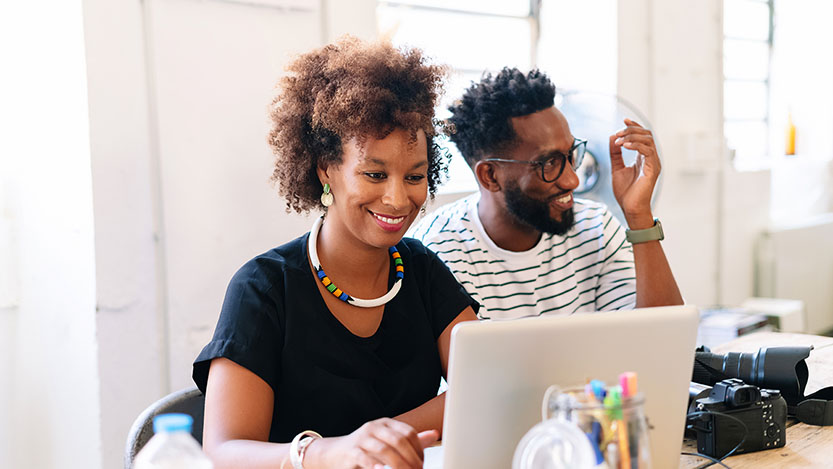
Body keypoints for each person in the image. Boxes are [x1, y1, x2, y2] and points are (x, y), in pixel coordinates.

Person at [192, 37, 479, 469]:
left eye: (415, 176)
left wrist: (378, 441)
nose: (398, 199)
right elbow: (226, 450)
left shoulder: (420, 268)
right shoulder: (264, 288)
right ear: (326, 168)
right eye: (374, 174)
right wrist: (331, 451)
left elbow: (483, 388)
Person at [409, 68, 683, 320]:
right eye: (549, 163)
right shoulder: (440, 251)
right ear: (490, 176)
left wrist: (638, 216)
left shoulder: (596, 227)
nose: (573, 180)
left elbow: (663, 338)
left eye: (570, 154)